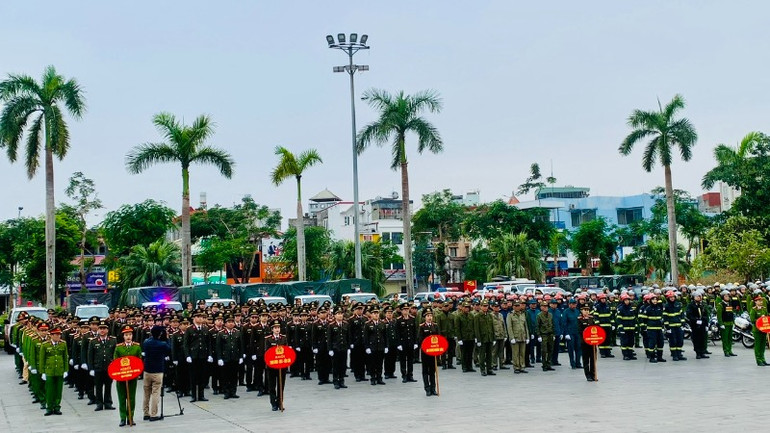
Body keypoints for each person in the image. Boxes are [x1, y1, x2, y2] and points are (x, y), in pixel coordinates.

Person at [114, 325, 142, 426]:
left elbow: (139, 361)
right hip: (121, 378)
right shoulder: (119, 348)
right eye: (126, 335)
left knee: (131, 398)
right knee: (122, 398)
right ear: (123, 336)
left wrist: (136, 372)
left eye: (130, 334)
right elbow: (115, 362)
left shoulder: (137, 347)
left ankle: (131, 417)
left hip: (132, 377)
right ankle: (122, 418)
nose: (128, 337)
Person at [88, 320, 117, 411]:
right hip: (98, 367)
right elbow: (90, 356)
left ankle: (108, 403)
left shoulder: (113, 340)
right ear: (98, 330)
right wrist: (91, 368)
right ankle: (99, 403)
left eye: (104, 328)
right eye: (100, 328)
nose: (102, 330)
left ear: (107, 330)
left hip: (109, 367)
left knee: (108, 386)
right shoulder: (93, 341)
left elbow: (115, 354)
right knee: (98, 386)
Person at [183, 312, 212, 402]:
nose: (200, 319)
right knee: (193, 376)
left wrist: (209, 354)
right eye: (198, 317)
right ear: (194, 318)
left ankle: (201, 395)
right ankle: (193, 396)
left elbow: (209, 343)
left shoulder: (205, 328)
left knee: (202, 376)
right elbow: (186, 344)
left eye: (202, 317)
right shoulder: (189, 329)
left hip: (203, 356)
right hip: (193, 356)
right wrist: (187, 355)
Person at [40, 327, 68, 416]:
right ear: (51, 335)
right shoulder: (45, 345)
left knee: (58, 390)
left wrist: (66, 370)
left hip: (60, 370)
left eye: (59, 335)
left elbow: (65, 358)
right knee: (49, 390)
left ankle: (57, 407)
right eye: (56, 335)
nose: (58, 336)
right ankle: (49, 408)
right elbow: (42, 359)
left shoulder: (63, 344)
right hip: (49, 371)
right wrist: (43, 372)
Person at [216, 315, 244, 399]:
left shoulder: (237, 332)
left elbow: (241, 346)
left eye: (232, 322)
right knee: (225, 376)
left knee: (234, 376)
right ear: (225, 324)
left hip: (235, 357)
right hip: (225, 358)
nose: (231, 324)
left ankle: (233, 391)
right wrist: (219, 358)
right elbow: (218, 347)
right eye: (229, 322)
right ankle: (226, 392)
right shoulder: (221, 333)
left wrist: (241, 356)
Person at [264, 320, 288, 411]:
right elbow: (267, 352)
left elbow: (286, 351)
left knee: (281, 385)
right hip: (272, 366)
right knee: (272, 385)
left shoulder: (283, 338)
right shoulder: (268, 339)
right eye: (275, 328)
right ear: (272, 329)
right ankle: (273, 403)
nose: (277, 329)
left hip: (282, 366)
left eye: (278, 328)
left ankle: (280, 402)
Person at [417, 309, 440, 396]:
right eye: (428, 316)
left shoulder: (435, 326)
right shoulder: (422, 326)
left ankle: (433, 388)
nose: (429, 318)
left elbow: (438, 338)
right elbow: (420, 339)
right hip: (425, 352)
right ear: (424, 318)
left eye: (431, 316)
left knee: (433, 371)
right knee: (425, 371)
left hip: (433, 352)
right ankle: (427, 388)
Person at [363, 305, 387, 386]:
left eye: (377, 313)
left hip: (380, 346)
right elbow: (366, 337)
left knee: (380, 363)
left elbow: (385, 336)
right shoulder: (367, 324)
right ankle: (373, 378)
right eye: (374, 313)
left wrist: (386, 346)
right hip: (372, 347)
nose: (376, 315)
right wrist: (367, 347)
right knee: (372, 363)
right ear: (371, 315)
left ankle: (379, 378)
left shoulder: (382, 323)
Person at [327, 307, 350, 389]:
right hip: (335, 348)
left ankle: (341, 380)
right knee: (336, 366)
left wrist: (349, 346)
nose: (340, 315)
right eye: (338, 314)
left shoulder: (346, 324)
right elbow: (329, 339)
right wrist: (330, 349)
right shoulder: (331, 325)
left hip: (343, 348)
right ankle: (335, 381)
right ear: (335, 316)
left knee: (343, 365)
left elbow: (348, 336)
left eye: (341, 314)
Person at [395, 304, 418, 382]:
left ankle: (410, 375)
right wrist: (398, 344)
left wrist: (415, 342)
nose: (406, 311)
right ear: (401, 311)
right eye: (404, 310)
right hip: (402, 343)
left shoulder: (412, 319)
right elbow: (397, 333)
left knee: (410, 360)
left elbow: (415, 331)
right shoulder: (398, 320)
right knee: (403, 360)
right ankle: (404, 375)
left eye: (407, 309)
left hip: (410, 342)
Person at [505, 300, 529, 374]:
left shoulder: (522, 314)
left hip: (522, 336)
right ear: (513, 307)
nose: (517, 307)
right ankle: (516, 367)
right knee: (515, 353)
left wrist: (527, 337)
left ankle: (522, 366)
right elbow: (509, 327)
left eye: (518, 305)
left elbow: (525, 326)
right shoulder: (510, 315)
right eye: (516, 306)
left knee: (522, 353)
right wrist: (511, 337)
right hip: (515, 337)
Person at [663, 291, 687, 361]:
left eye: (673, 297)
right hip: (671, 326)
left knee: (680, 340)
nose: (672, 298)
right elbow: (665, 316)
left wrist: (683, 322)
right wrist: (667, 325)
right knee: (673, 341)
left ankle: (679, 354)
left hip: (678, 325)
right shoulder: (666, 306)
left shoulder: (678, 304)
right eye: (670, 297)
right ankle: (674, 355)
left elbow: (681, 314)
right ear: (668, 298)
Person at [473, 300, 495, 376]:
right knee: (482, 355)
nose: (485, 307)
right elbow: (476, 329)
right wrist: (478, 340)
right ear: (481, 307)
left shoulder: (489, 315)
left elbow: (492, 327)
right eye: (484, 306)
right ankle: (482, 370)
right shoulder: (477, 316)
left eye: (486, 306)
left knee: (489, 355)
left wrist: (493, 338)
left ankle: (489, 369)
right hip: (482, 338)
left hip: (489, 337)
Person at [685, 292, 710, 359]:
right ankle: (698, 353)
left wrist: (705, 322)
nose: (698, 298)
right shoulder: (691, 305)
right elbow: (689, 314)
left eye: (699, 296)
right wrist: (695, 320)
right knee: (696, 339)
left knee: (703, 338)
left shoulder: (703, 304)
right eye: (697, 297)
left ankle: (702, 352)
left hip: (702, 324)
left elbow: (706, 314)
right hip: (695, 325)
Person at [577, 305, 596, 381]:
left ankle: (593, 374)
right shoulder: (579, 319)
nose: (586, 311)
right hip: (584, 342)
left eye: (587, 310)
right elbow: (580, 330)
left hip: (592, 342)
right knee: (586, 359)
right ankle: (587, 375)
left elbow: (596, 328)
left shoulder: (592, 318)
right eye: (584, 310)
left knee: (593, 359)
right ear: (581, 311)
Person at [715, 290, 737, 357]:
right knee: (725, 339)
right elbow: (719, 315)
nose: (727, 297)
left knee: (730, 339)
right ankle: (726, 351)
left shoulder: (729, 304)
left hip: (730, 323)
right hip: (725, 324)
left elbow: (731, 314)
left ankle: (730, 350)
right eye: (726, 296)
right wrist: (721, 324)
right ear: (722, 297)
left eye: (728, 296)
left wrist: (733, 323)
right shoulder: (720, 305)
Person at [536, 301, 556, 372]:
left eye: (546, 306)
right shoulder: (539, 315)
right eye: (544, 306)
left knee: (550, 350)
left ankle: (549, 364)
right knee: (544, 351)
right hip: (543, 335)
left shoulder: (550, 315)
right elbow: (537, 326)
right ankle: (544, 365)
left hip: (550, 334)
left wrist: (553, 334)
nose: (545, 308)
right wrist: (538, 335)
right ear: (541, 307)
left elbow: (553, 325)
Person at [562, 299, 582, 369]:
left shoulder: (577, 311)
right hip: (570, 333)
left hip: (577, 332)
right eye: (572, 304)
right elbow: (564, 323)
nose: (574, 305)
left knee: (578, 348)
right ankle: (572, 363)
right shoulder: (566, 312)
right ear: (569, 304)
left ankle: (578, 363)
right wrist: (566, 333)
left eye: (575, 304)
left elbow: (580, 321)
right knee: (571, 349)